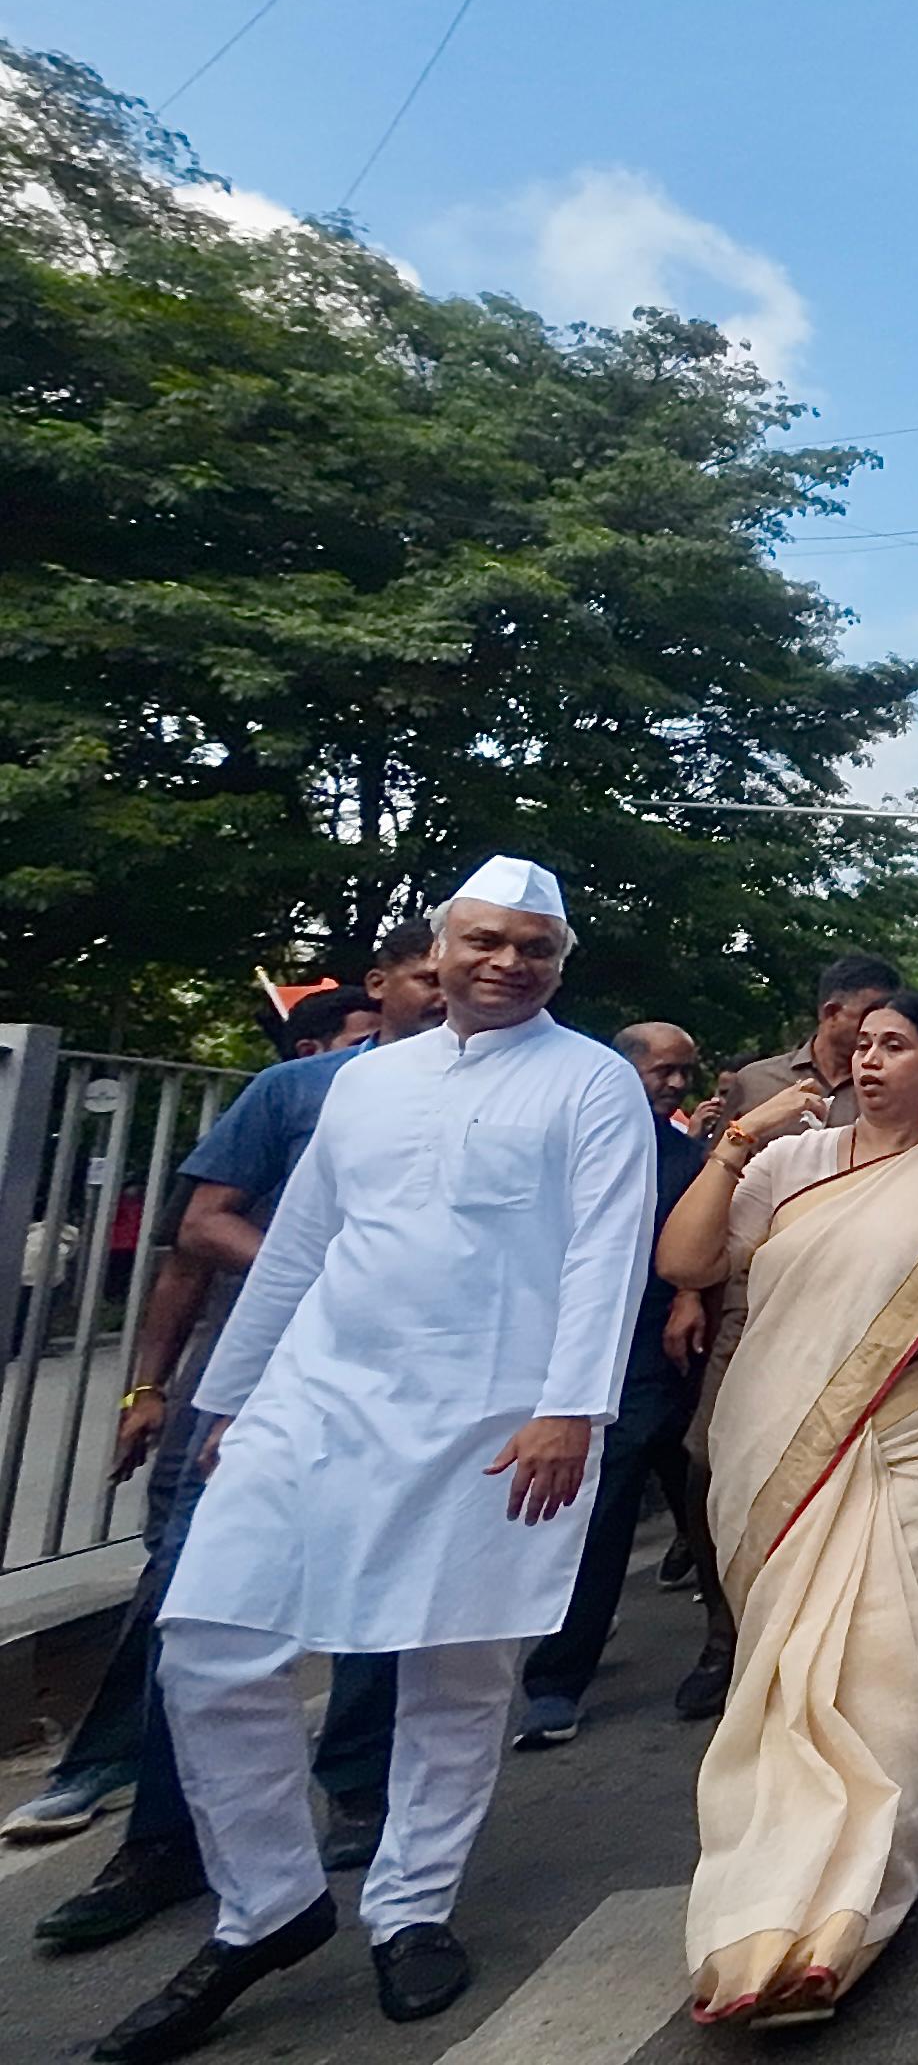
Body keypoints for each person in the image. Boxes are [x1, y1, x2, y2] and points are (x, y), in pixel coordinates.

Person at [92, 862, 653, 2065]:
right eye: (489, 942)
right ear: (440, 950)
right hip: (322, 1400)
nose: (510, 964)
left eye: (538, 949)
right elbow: (298, 1250)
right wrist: (228, 1399)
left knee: (454, 1679)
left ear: (561, 965)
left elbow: (609, 1251)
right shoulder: (362, 1085)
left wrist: (572, 1411)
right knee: (208, 1643)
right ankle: (271, 1905)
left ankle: (413, 1907)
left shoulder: (590, 1080)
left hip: (496, 1420)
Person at [23, 926, 444, 1953]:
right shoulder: (300, 1094)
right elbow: (200, 1229)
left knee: (390, 1598)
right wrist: (149, 1390)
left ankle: (358, 1794)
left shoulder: (516, 1099)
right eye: (430, 974)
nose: (448, 993)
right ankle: (162, 1841)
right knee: (201, 1607)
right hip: (262, 1397)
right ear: (379, 985)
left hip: (412, 1400)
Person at [664, 988, 918, 2025]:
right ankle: (759, 1914)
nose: (870, 1062)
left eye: (896, 1046)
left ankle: (848, 1919)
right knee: (785, 1676)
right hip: (788, 1447)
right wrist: (735, 1143)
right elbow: (687, 1262)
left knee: (883, 1666)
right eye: (861, 1045)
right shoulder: (787, 1164)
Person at [677, 952, 905, 1722]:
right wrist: (689, 1296)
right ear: (833, 1012)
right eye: (866, 1021)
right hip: (755, 1313)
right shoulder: (759, 1086)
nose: (875, 1047)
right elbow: (710, 1213)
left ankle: (818, 1647)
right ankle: (725, 1630)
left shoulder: (908, 1094)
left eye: (893, 1035)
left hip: (864, 1325)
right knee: (711, 1461)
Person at [511, 1024, 712, 1749]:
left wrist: (689, 1295)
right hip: (564, 1357)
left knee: (695, 1502)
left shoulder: (688, 1158)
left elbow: (701, 1244)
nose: (675, 1085)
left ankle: (731, 1646)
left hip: (658, 1354)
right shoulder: (561, 1142)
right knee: (599, 1515)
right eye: (664, 1071)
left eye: (685, 1073)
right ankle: (556, 1683)